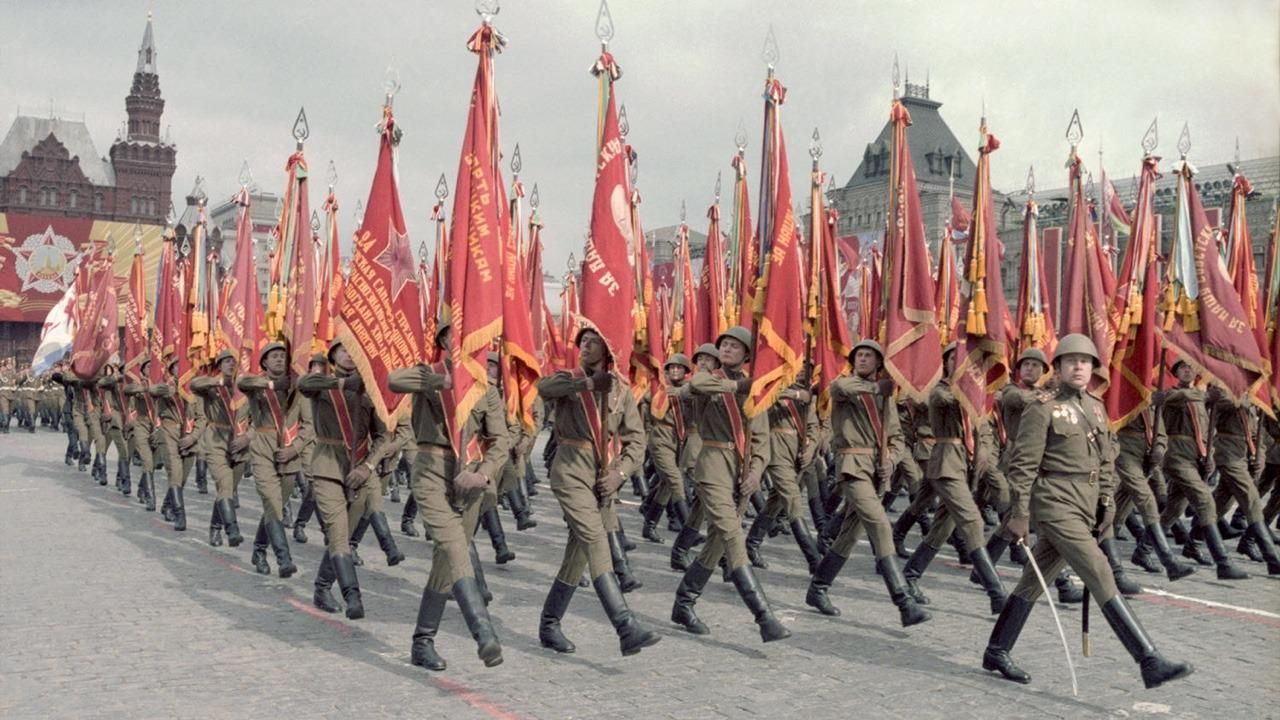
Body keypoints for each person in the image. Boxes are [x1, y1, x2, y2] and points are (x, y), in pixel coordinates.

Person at [983, 334, 1192, 689]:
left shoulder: (1096, 406)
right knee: (1099, 569)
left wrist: (1107, 502)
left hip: (1085, 504)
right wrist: (1019, 512)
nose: (1078, 367)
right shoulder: (1041, 406)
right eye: (1071, 361)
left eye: (1085, 361)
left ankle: (996, 650)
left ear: (1093, 368)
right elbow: (1023, 465)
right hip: (1055, 502)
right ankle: (1149, 659)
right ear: (1059, 368)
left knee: (1034, 581)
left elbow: (1106, 458)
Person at [535, 328, 660, 657]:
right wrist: (589, 384)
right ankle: (625, 626)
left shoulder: (621, 389)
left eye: (593, 342)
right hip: (571, 471)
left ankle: (549, 624)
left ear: (608, 347)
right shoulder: (570, 378)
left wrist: (620, 474)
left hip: (603, 478)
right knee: (594, 539)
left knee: (577, 556)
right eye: (582, 342)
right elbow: (544, 388)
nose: (585, 347)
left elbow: (636, 440)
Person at [389, 326, 506, 671]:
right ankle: (484, 633)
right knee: (455, 547)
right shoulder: (429, 373)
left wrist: (483, 474)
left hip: (468, 479)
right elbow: (394, 380)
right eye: (455, 335)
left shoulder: (487, 387)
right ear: (443, 342)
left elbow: (500, 442)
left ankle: (422, 642)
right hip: (431, 470)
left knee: (446, 561)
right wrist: (440, 380)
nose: (464, 341)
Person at [670, 326, 790, 643]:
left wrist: (756, 472)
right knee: (733, 535)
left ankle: (684, 603)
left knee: (717, 542)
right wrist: (739, 385)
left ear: (747, 354)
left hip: (741, 470)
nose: (727, 349)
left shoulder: (755, 390)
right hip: (712, 465)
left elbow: (762, 441)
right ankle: (765, 617)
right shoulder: (709, 378)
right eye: (724, 345)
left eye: (735, 347)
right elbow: (695, 383)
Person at [804, 339, 930, 627]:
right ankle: (903, 601)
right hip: (852, 468)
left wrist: (891, 459)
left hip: (876, 472)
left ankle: (818, 588)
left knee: (848, 535)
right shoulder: (846, 386)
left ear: (879, 364)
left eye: (868, 356)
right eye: (858, 355)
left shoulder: (886, 399)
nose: (862, 359)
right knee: (880, 523)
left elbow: (896, 438)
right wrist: (877, 388)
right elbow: (840, 388)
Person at [902, 342, 1007, 614]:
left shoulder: (977, 397)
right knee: (972, 522)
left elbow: (983, 428)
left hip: (967, 465)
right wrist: (970, 388)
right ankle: (997, 594)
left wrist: (984, 448)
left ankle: (910, 576)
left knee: (942, 528)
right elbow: (944, 400)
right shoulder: (940, 389)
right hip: (946, 463)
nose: (957, 364)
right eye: (952, 359)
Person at [298, 340, 387, 619]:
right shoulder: (321, 384)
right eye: (343, 351)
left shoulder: (370, 390)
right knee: (337, 531)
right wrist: (341, 384)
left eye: (354, 350)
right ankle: (352, 596)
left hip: (359, 469)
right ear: (333, 356)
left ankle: (322, 587)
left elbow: (384, 437)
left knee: (344, 535)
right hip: (327, 465)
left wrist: (369, 465)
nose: (349, 355)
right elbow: (304, 383)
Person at [1158, 360, 1248, 579]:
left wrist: (1209, 456)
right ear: (1176, 373)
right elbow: (1176, 398)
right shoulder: (1171, 395)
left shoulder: (1201, 398)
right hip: (1177, 455)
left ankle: (1144, 550)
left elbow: (1207, 429)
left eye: (1191, 367)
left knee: (1174, 509)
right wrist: (1206, 396)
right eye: (1183, 368)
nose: (1188, 370)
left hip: (1195, 457)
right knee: (1205, 500)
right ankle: (1223, 563)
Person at [237, 342, 302, 578]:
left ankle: (259, 550)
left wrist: (295, 449)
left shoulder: (296, 388)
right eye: (273, 356)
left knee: (273, 508)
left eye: (282, 356)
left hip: (289, 454)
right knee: (273, 505)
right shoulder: (258, 385)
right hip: (263, 449)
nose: (278, 360)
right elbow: (242, 382)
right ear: (264, 362)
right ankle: (284, 559)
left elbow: (310, 427)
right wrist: (272, 384)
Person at [190, 351, 250, 548]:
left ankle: (214, 527)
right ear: (220, 365)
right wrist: (218, 382)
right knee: (224, 484)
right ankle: (232, 529)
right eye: (226, 361)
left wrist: (247, 438)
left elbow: (258, 418)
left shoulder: (244, 386)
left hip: (240, 443)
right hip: (217, 439)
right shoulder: (212, 385)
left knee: (228, 489)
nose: (231, 364)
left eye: (234, 361)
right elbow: (194, 385)